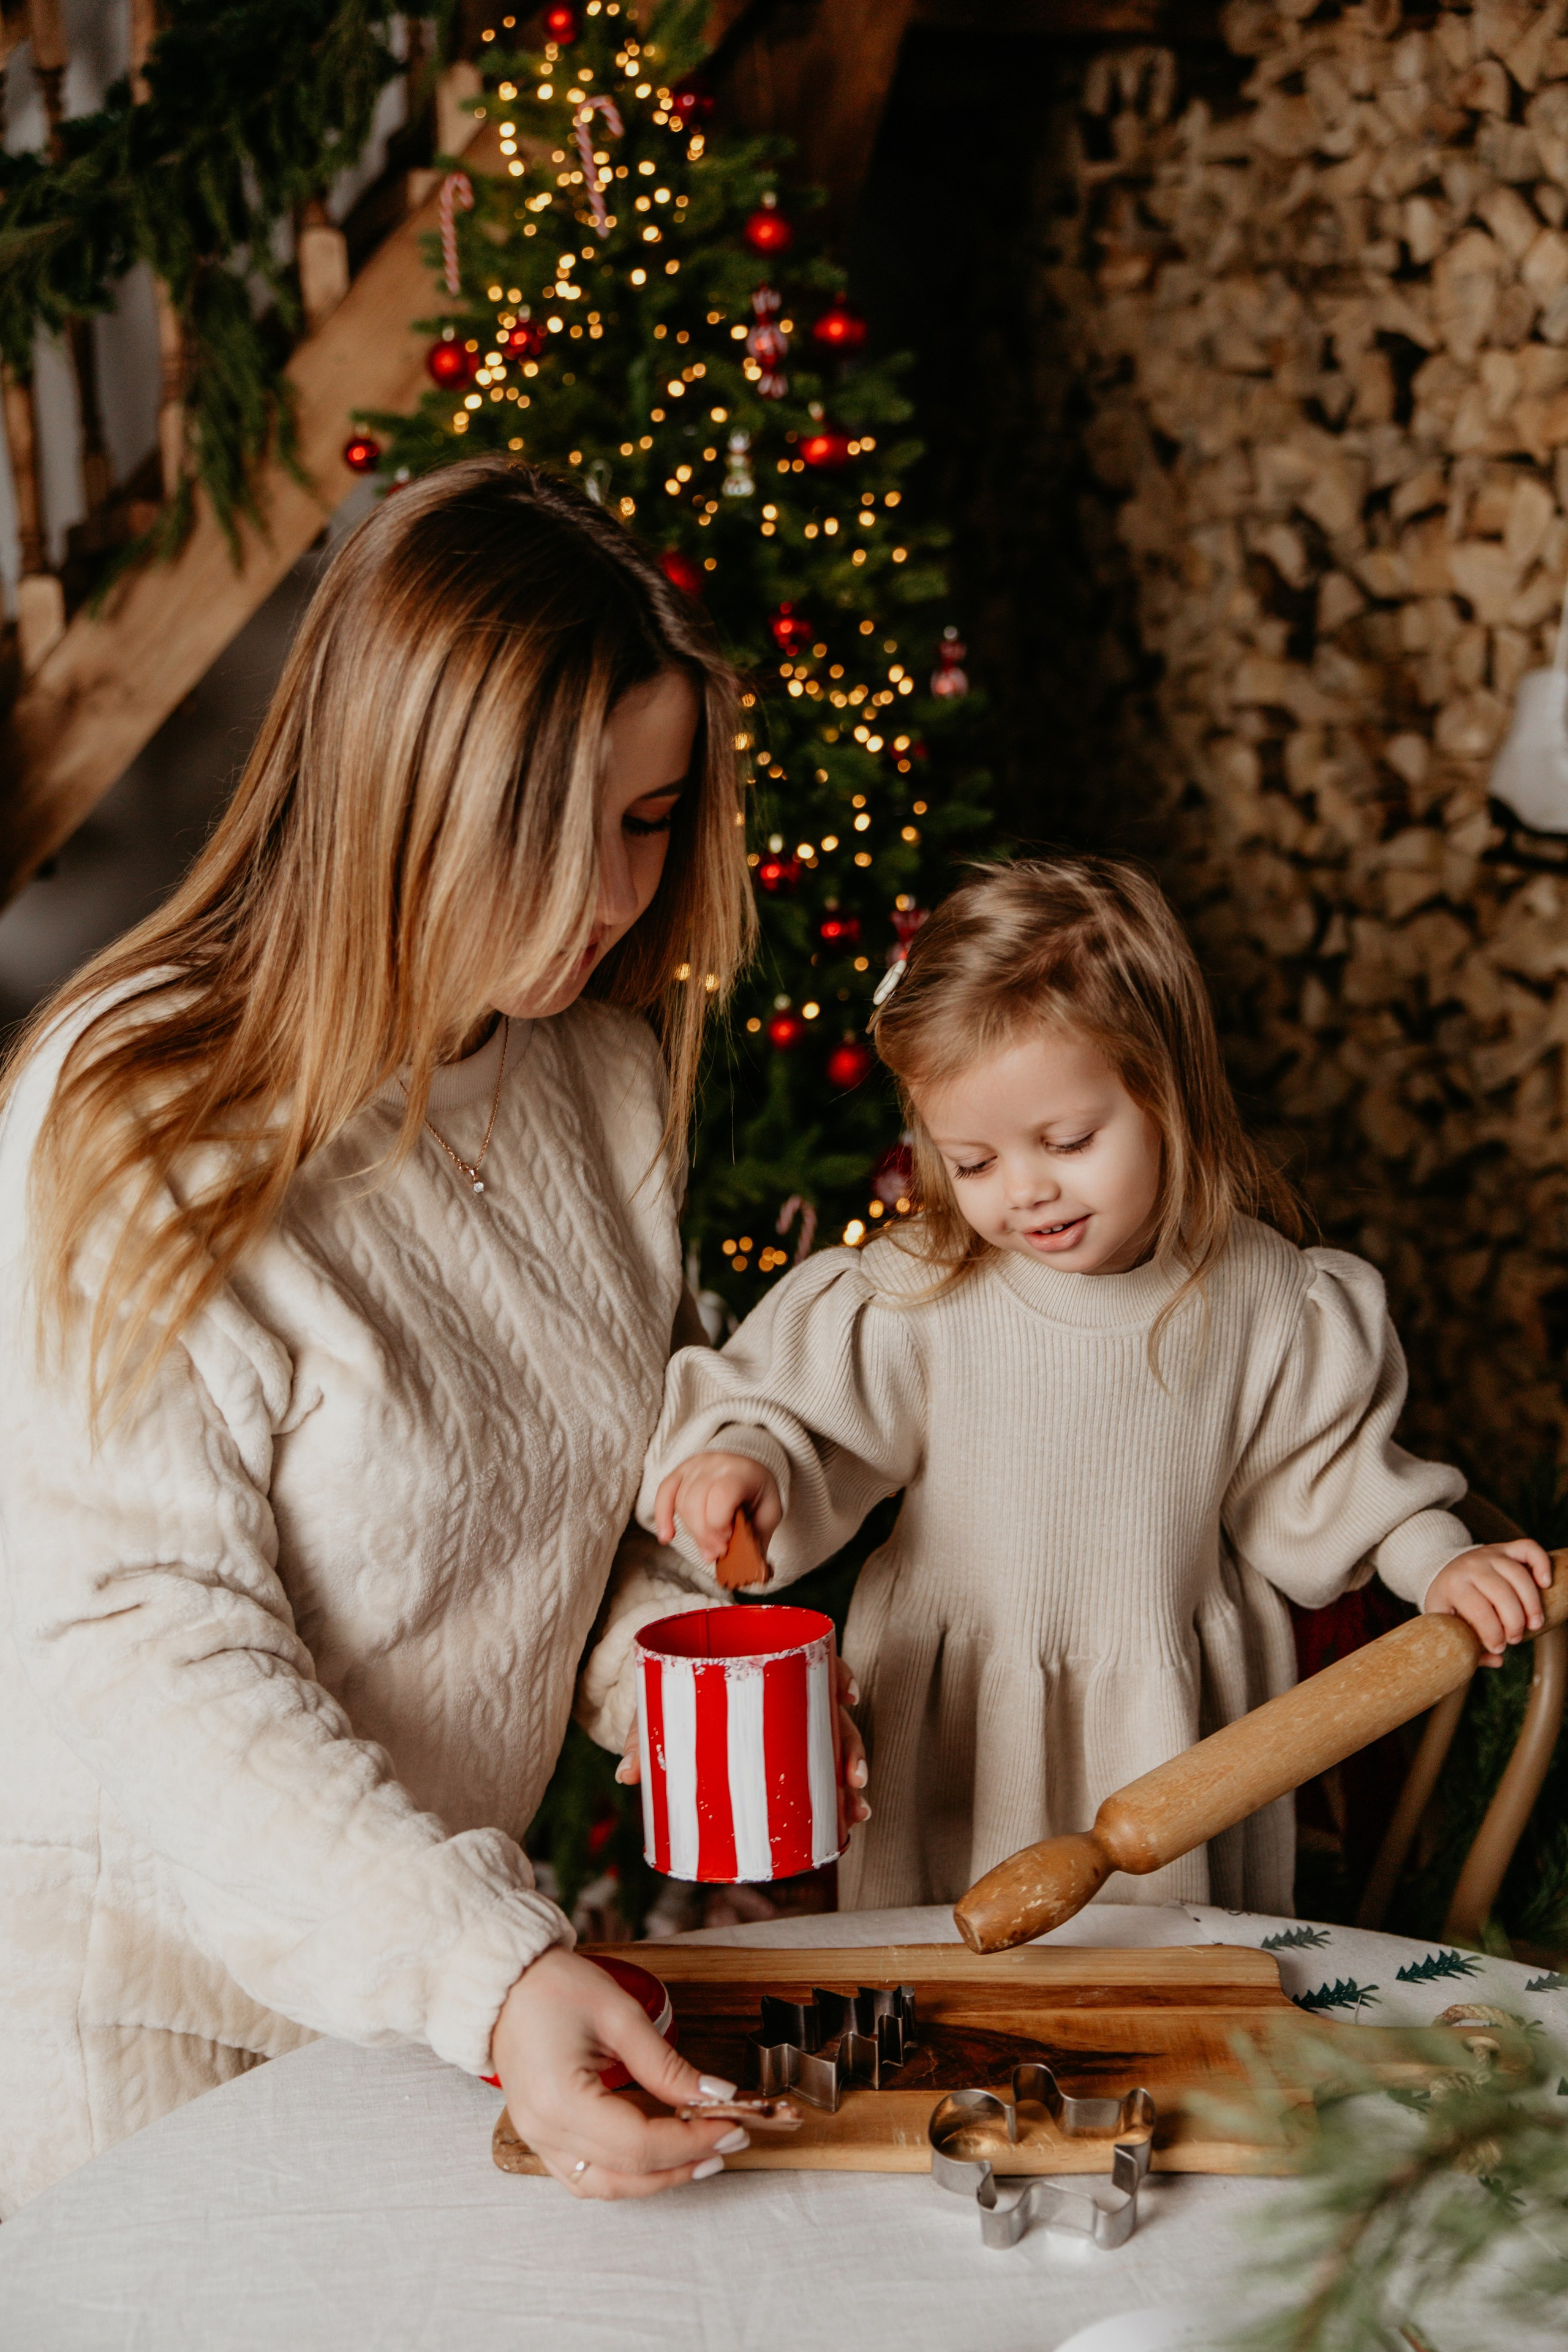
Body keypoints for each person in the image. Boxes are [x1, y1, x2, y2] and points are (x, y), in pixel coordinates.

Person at [0, 458, 766, 2214]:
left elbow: (541, 1514)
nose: (609, 901)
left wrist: (673, 1670)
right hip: (135, 2003)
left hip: (416, 1985)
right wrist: (486, 1969)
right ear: (400, 794)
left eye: (649, 824)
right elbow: (148, 1644)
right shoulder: (134, 1109)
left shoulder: (596, 1073)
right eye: (555, 834)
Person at [628, 858, 1551, 1917]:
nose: (1024, 1191)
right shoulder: (922, 1294)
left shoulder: (1262, 1300)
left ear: (1167, 1092)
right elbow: (801, 1417)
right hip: (958, 1722)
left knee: (1163, 1996)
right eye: (971, 1163)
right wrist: (744, 1462)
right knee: (949, 1973)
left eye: (1067, 1142)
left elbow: (1340, 1482)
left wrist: (1440, 1560)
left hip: (1171, 1726)